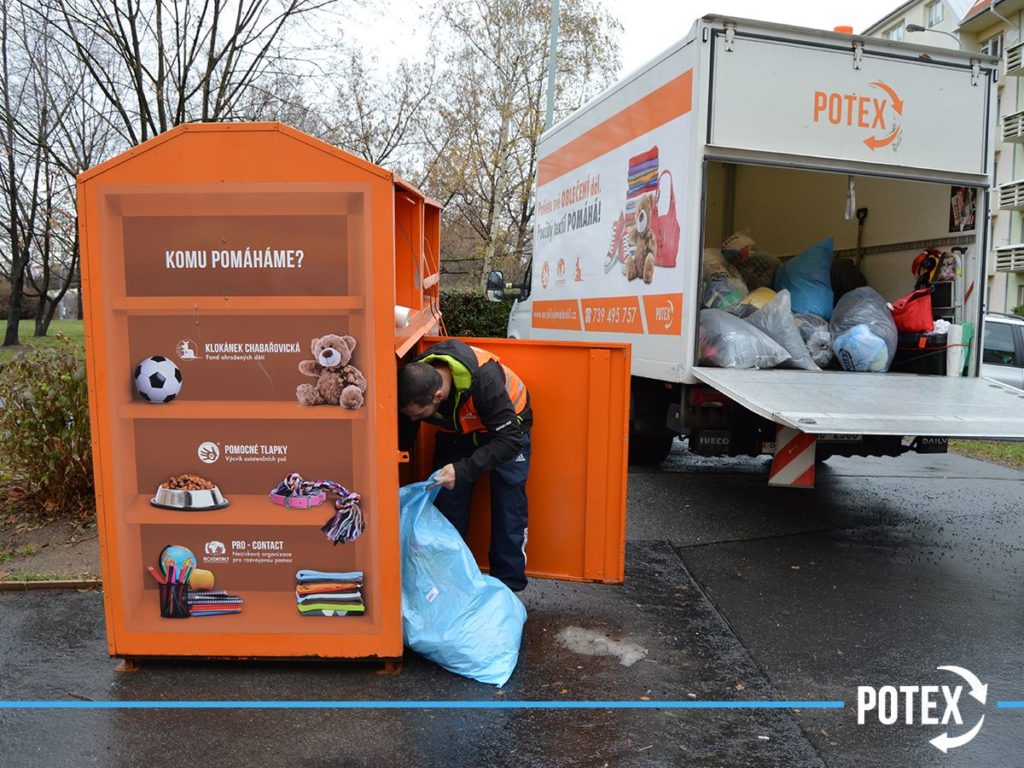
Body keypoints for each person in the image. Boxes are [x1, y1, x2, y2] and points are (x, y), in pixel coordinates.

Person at [398, 339, 532, 592]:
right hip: (459, 431)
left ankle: (508, 588)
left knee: (509, 506)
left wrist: (462, 470)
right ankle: (448, 586)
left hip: (506, 431)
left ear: (438, 396)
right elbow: (405, 430)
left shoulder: (485, 380)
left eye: (419, 415)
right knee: (446, 505)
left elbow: (510, 440)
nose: (414, 420)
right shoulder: (416, 381)